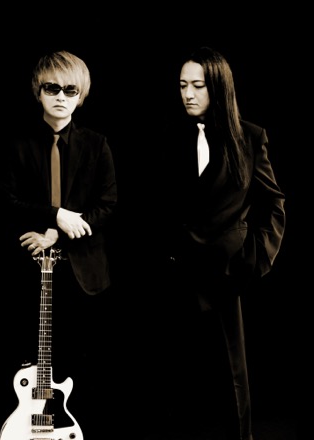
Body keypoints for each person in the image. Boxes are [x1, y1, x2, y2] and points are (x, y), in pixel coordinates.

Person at [152, 46, 286, 440]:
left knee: (232, 377)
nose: (188, 94)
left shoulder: (250, 136)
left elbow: (273, 203)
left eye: (198, 85)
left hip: (228, 274)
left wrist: (254, 259)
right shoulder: (167, 136)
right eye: (182, 85)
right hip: (179, 273)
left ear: (218, 86)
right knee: (176, 379)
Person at [0, 50, 118, 438]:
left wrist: (57, 230)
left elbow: (108, 204)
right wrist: (56, 214)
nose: (61, 97)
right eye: (52, 88)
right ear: (38, 91)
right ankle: (32, 430)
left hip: (83, 271)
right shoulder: (18, 144)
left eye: (70, 90)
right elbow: (7, 201)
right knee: (26, 360)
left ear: (81, 95)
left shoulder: (97, 144)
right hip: (28, 269)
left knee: (81, 363)